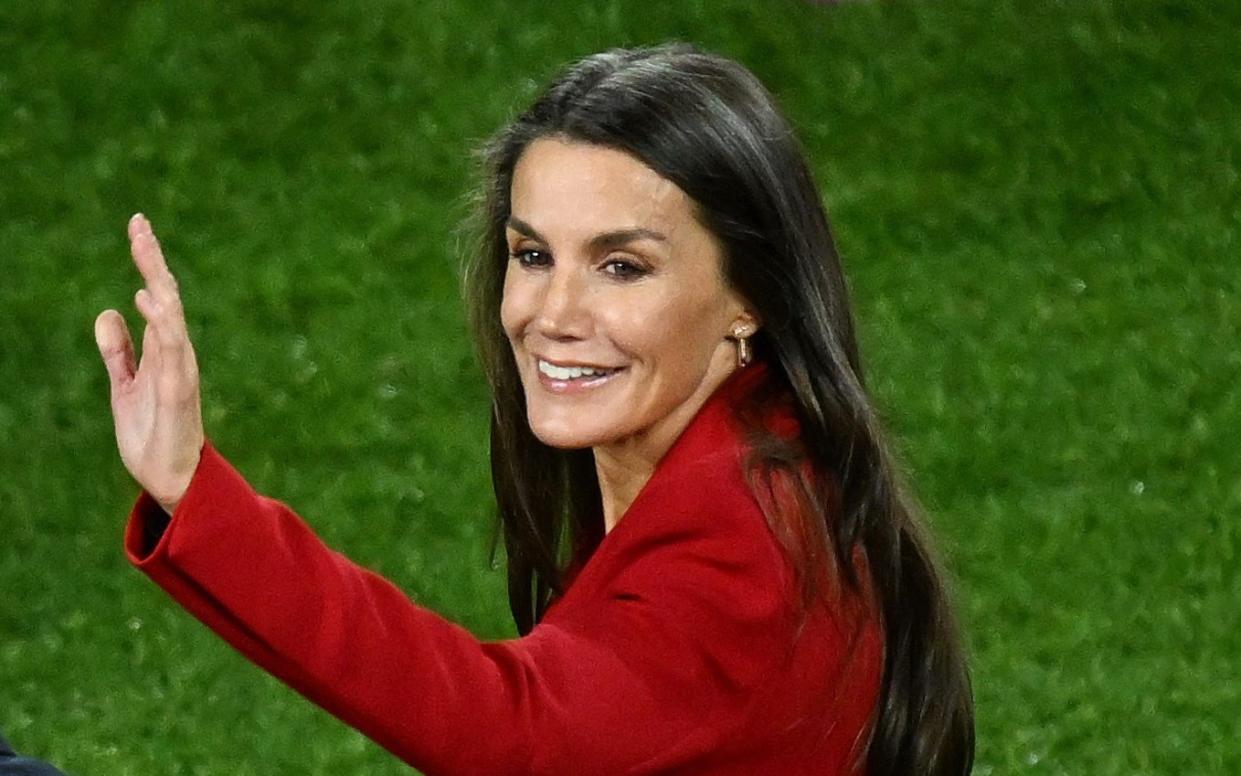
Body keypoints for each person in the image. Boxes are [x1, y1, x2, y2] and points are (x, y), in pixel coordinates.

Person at [94, 43, 974, 774]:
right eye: (531, 255)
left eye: (620, 266)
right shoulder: (755, 446)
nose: (552, 317)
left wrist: (198, 494)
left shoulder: (746, 546)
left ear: (750, 296)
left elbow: (511, 731)